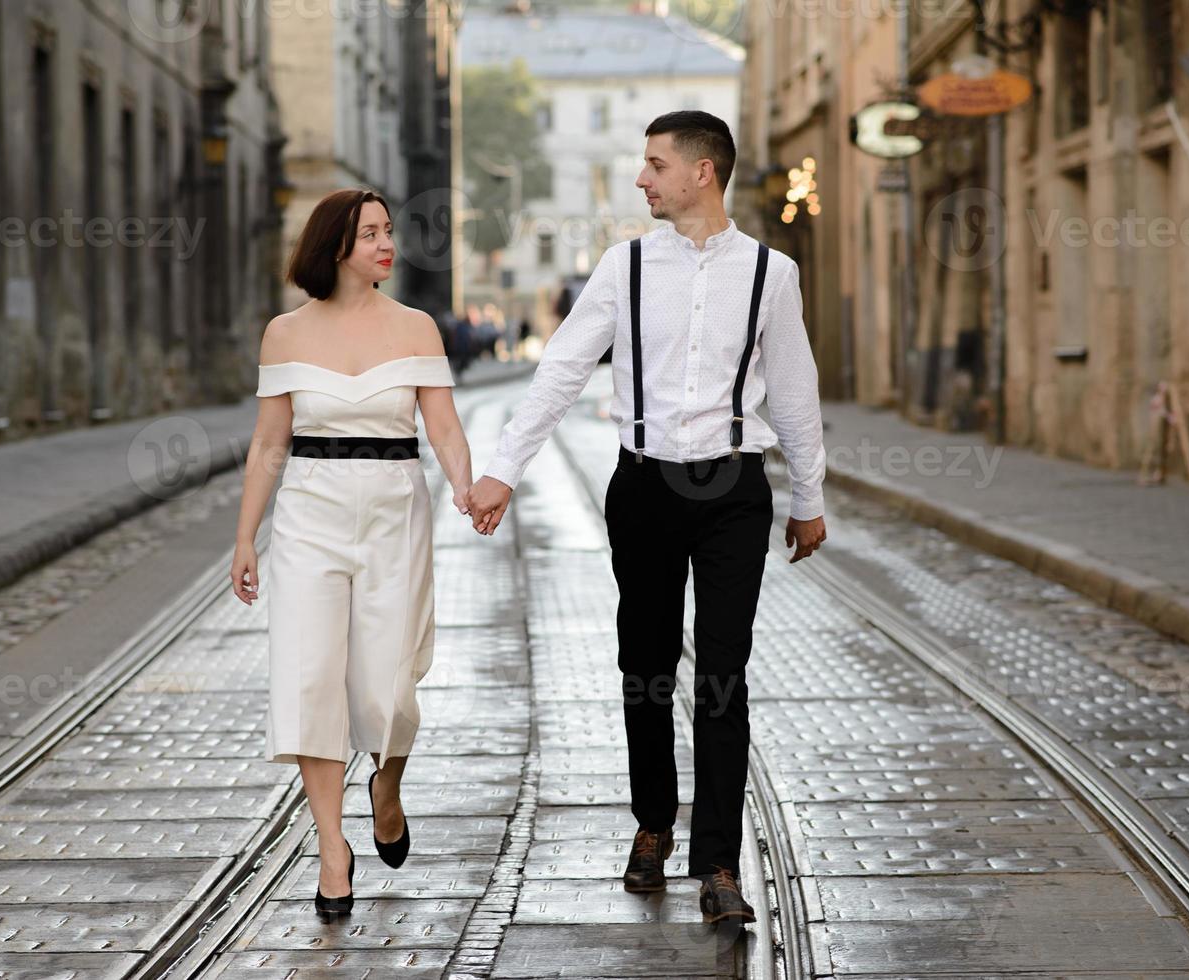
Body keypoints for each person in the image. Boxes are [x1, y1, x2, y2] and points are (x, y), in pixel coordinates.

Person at [465, 111, 827, 925]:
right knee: (647, 665)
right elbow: (561, 369)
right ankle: (654, 824)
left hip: (734, 490)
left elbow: (796, 390)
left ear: (703, 173)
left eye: (655, 164)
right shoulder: (622, 267)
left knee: (723, 675)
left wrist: (810, 496)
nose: (641, 178)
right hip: (646, 488)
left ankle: (721, 864)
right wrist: (503, 470)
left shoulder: (772, 273)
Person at [231, 188, 475, 920]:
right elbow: (270, 442)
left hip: (396, 509)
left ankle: (387, 787)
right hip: (310, 513)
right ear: (335, 245)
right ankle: (331, 849)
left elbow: (444, 427)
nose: (386, 243)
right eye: (370, 233)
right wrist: (246, 536)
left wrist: (468, 488)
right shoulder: (285, 334)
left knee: (388, 684)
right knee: (309, 678)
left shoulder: (416, 328)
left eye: (388, 231)